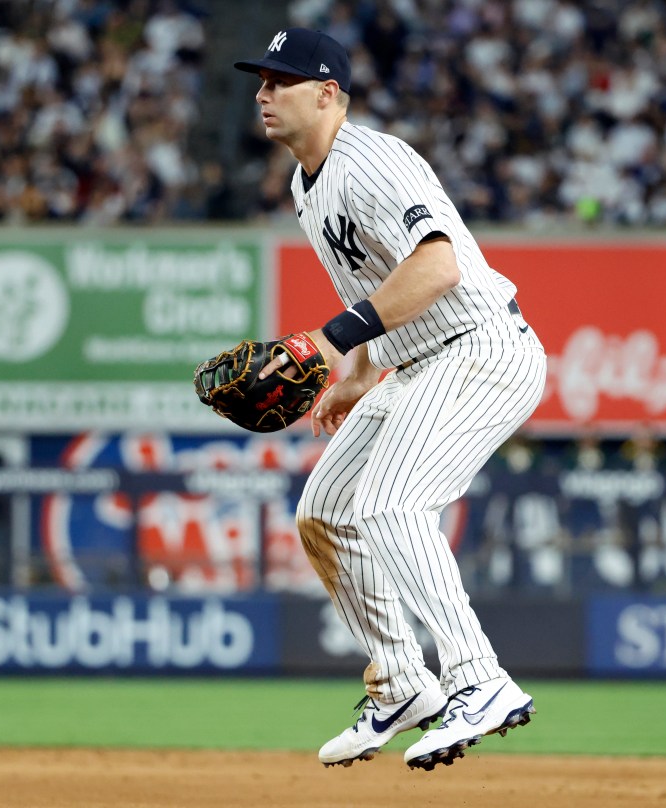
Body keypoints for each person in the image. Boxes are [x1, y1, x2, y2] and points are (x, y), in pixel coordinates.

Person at [234, 28, 546, 771]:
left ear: (328, 93)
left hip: (479, 347)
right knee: (325, 513)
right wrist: (361, 368)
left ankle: (480, 680)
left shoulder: (371, 160)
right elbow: (380, 284)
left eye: (281, 81)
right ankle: (403, 682)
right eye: (261, 80)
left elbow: (437, 266)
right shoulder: (305, 184)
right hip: (413, 362)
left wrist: (336, 338)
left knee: (388, 502)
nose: (263, 94)